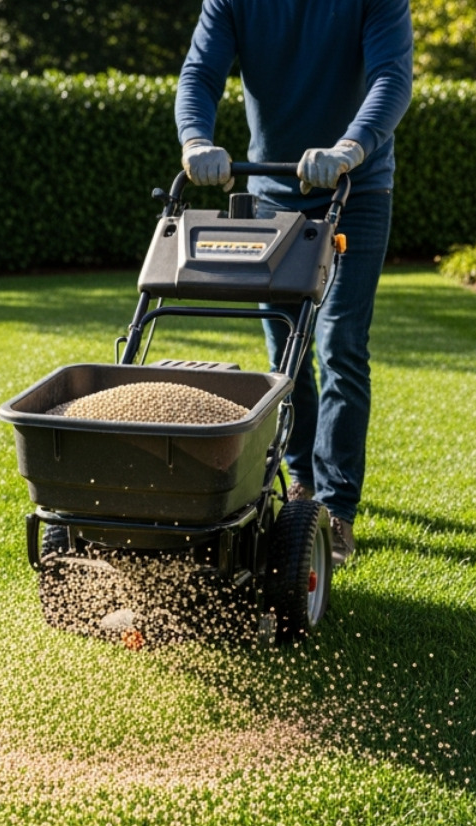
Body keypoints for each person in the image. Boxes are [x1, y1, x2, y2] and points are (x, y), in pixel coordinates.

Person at [175, 0, 412, 566]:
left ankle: (336, 510)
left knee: (340, 347)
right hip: (270, 194)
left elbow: (391, 78)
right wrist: (195, 141)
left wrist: (350, 149)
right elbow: (200, 74)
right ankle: (301, 479)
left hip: (354, 190)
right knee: (286, 347)